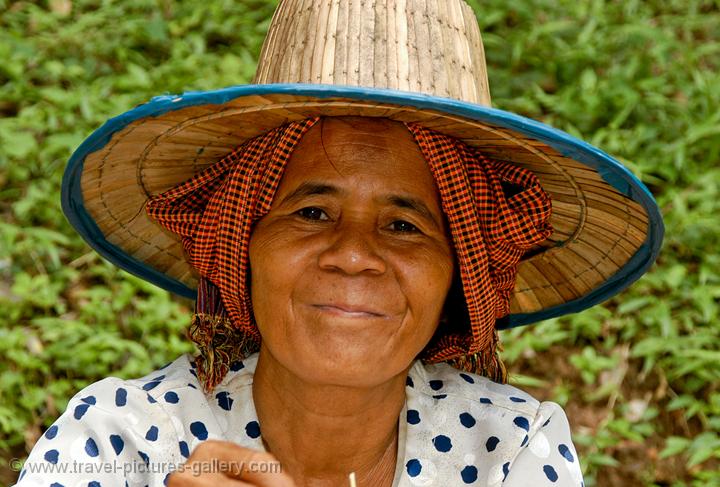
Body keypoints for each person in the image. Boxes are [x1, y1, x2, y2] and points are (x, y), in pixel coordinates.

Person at [14, 0, 663, 486]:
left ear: (456, 273)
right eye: (314, 211)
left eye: (404, 225)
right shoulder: (115, 440)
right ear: (243, 244)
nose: (353, 254)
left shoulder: (509, 450)